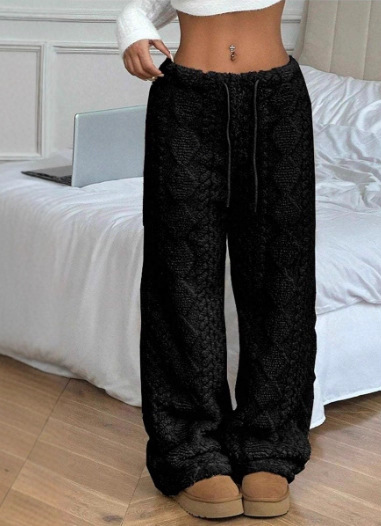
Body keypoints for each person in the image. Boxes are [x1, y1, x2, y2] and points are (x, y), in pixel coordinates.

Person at [116, 0, 317, 519]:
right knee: (180, 279)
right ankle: (191, 449)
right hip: (186, 101)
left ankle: (269, 443)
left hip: (277, 100)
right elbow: (141, 6)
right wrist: (132, 28)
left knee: (282, 278)